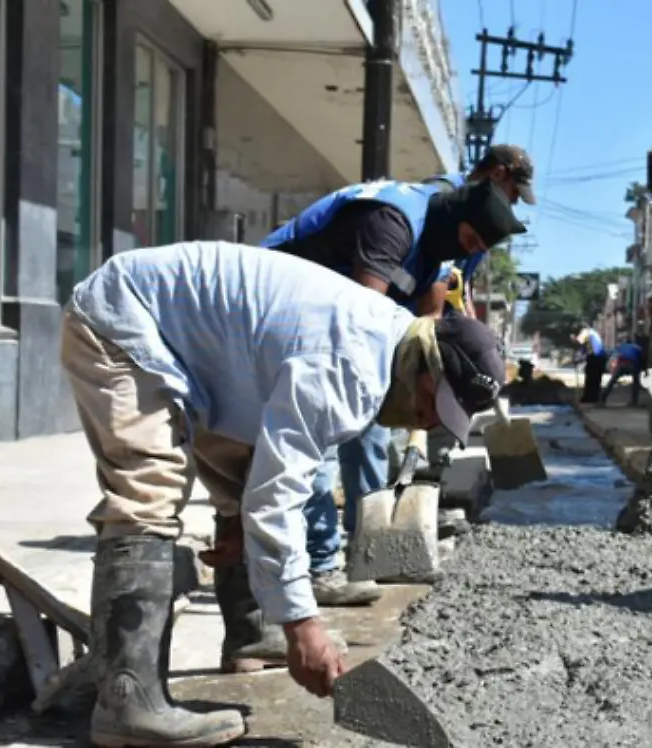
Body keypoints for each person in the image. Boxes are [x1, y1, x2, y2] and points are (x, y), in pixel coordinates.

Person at [61, 240, 506, 747]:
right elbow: (277, 499)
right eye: (430, 403)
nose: (424, 421)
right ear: (424, 362)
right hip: (124, 322)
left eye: (439, 418)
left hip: (196, 354)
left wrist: (237, 521)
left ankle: (251, 633)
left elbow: (263, 473)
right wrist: (302, 625)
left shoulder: (386, 341)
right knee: (151, 488)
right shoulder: (349, 368)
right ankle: (128, 701)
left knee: (245, 471)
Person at [195, 178, 522, 678]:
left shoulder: (440, 251)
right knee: (299, 466)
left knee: (285, 470)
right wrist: (304, 627)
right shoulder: (391, 222)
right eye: (471, 242)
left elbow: (432, 319)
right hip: (270, 335)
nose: (470, 253)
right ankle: (317, 567)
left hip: (316, 350)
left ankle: (254, 631)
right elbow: (356, 326)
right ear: (457, 219)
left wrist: (419, 415)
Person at [424, 143, 538, 317]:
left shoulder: (486, 222)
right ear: (498, 173)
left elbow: (463, 278)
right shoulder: (442, 195)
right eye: (515, 191)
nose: (515, 201)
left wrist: (470, 314)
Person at [600, 339, 645, 406]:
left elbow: (614, 355)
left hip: (622, 364)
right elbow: (642, 357)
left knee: (612, 380)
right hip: (633, 364)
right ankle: (634, 401)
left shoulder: (621, 346)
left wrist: (613, 367)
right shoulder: (637, 347)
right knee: (636, 382)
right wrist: (643, 369)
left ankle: (602, 399)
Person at [573, 326, 608, 403]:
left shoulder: (585, 331)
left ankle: (588, 398)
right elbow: (584, 348)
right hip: (602, 357)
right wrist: (580, 357)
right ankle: (594, 398)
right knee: (596, 379)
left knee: (590, 378)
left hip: (595, 357)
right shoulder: (593, 333)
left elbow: (579, 342)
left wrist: (574, 340)